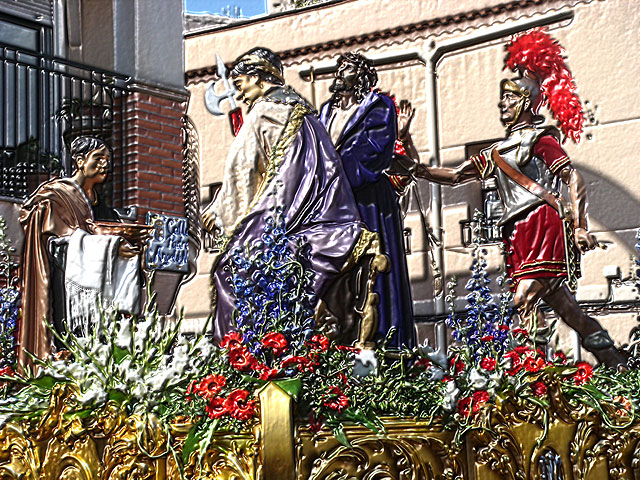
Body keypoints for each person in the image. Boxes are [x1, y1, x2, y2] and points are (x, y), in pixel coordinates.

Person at [413, 29, 626, 368]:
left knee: (523, 299)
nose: (502, 105)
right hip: (516, 232)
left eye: (509, 99)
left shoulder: (540, 139)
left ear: (525, 102)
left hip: (542, 223)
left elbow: (572, 177)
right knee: (567, 309)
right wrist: (417, 170)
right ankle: (612, 360)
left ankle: (532, 371)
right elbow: (455, 176)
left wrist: (580, 226)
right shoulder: (496, 152)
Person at [202, 47, 372, 342]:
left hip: (288, 220)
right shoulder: (306, 113)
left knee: (230, 270)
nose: (240, 94)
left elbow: (244, 174)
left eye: (241, 84)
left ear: (258, 77)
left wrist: (219, 214)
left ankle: (245, 353)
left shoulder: (263, 113)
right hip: (332, 220)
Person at [318, 52, 415, 348]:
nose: (339, 74)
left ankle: (383, 340)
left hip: (366, 200)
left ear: (360, 76)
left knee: (372, 270)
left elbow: (372, 151)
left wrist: (334, 175)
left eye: (346, 69)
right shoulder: (325, 111)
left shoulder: (379, 107)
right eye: (338, 68)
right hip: (332, 204)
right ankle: (337, 338)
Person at [19, 136, 140, 367]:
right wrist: (112, 247)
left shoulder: (102, 207)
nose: (105, 164)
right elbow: (57, 246)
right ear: (80, 161)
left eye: (108, 159)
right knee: (73, 350)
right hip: (67, 289)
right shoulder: (56, 196)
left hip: (101, 293)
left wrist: (127, 245)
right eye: (99, 158)